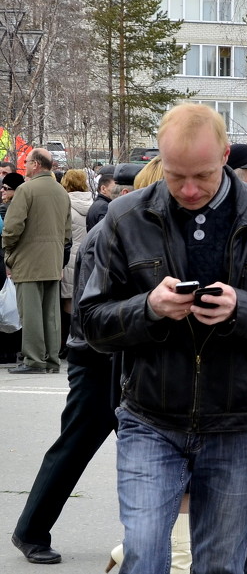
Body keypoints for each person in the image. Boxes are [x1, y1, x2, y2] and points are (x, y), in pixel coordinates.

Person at [78, 104, 247, 574]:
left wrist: (241, 308)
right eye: (175, 176)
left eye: (203, 176)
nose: (189, 189)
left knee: (219, 567)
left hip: (238, 423)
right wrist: (148, 308)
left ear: (226, 157)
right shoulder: (126, 216)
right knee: (144, 555)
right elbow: (91, 323)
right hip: (150, 417)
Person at [10, 165, 145, 567]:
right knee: (75, 447)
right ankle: (30, 531)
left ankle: (151, 538)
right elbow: (92, 311)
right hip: (98, 360)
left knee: (146, 454)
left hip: (119, 359)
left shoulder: (131, 230)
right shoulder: (111, 234)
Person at [3, 148, 71, 375]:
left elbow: (13, 227)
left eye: (29, 161)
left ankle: (33, 360)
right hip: (53, 260)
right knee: (51, 314)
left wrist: (8, 251)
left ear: (37, 165)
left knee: (30, 312)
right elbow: (67, 232)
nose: (26, 165)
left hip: (28, 259)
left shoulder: (25, 189)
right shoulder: (61, 192)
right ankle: (51, 359)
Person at [58, 170, 92, 358]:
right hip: (86, 256)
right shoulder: (93, 203)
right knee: (81, 299)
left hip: (69, 257)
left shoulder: (66, 205)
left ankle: (69, 342)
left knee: (67, 302)